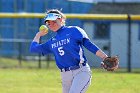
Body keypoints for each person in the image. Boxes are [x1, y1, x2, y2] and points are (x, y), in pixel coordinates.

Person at [30, 9, 108, 93]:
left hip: (81, 71)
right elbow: (33, 48)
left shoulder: (74, 30)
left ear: (60, 19)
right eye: (48, 23)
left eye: (53, 21)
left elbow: (89, 45)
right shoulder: (52, 42)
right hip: (65, 76)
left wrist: (104, 57)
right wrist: (38, 35)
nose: (51, 24)